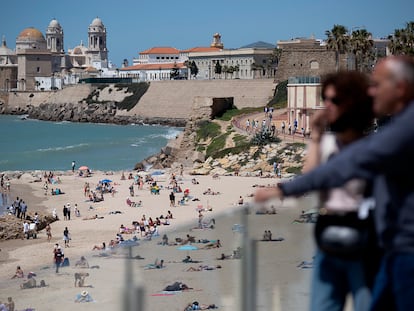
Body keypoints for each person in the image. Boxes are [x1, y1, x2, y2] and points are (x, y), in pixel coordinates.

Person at [255, 56, 414, 311]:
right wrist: (316, 138)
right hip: (337, 239)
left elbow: (343, 168)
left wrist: (283, 189)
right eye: (324, 99)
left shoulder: (395, 134)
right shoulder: (393, 130)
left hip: (381, 246)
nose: (371, 91)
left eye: (334, 101)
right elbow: (321, 175)